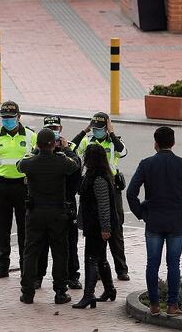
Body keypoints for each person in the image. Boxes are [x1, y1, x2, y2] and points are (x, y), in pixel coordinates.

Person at [127, 127, 182, 317]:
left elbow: (131, 193)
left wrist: (141, 213)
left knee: (152, 263)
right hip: (177, 222)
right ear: (173, 142)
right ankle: (172, 305)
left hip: (153, 221)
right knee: (174, 263)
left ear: (155, 143)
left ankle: (154, 305)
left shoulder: (146, 164)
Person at [17, 128, 80, 305]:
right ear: (54, 144)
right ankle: (60, 292)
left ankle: (28, 292)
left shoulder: (30, 163)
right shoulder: (61, 162)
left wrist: (35, 152)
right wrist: (66, 149)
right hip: (57, 213)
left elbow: (19, 165)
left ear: (37, 145)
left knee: (31, 252)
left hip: (35, 213)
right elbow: (75, 164)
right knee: (60, 252)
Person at [71, 112, 130, 281]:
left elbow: (123, 152)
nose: (96, 131)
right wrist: (85, 130)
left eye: (100, 128)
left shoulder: (113, 141)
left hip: (111, 187)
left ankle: (121, 269)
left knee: (116, 228)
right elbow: (72, 147)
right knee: (94, 229)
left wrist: (111, 132)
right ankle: (96, 269)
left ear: (106, 127)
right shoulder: (87, 140)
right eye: (94, 128)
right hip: (92, 187)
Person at [0, 101, 36, 279]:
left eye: (10, 118)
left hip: (24, 186)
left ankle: (24, 263)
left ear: (19, 117)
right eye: (4, 118)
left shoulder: (30, 136)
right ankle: (2, 264)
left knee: (25, 228)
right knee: (2, 227)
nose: (7, 121)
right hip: (2, 186)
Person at [34, 116, 82, 290]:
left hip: (66, 202)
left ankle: (72, 276)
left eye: (55, 128)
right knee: (41, 245)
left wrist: (67, 150)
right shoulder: (37, 149)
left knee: (69, 244)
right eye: (49, 128)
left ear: (60, 129)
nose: (53, 132)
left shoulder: (71, 148)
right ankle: (38, 276)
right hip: (46, 204)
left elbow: (77, 169)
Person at [72, 144, 118, 309]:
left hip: (97, 226)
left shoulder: (98, 178)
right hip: (95, 225)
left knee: (91, 259)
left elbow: (104, 205)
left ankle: (89, 295)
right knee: (101, 258)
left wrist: (105, 228)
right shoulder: (94, 175)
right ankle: (109, 289)